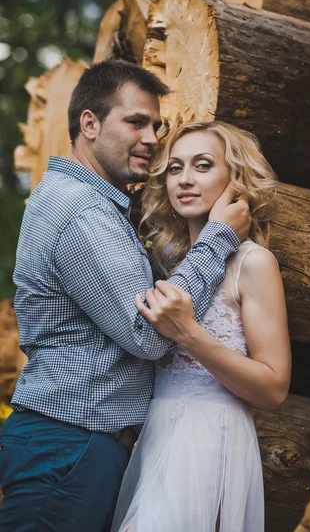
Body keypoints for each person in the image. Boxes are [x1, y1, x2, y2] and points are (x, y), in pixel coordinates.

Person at [0, 61, 251, 532]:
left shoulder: (95, 206)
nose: (153, 138)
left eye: (156, 125)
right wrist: (217, 238)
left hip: (77, 447)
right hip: (68, 446)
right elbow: (148, 333)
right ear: (89, 124)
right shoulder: (80, 211)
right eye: (135, 122)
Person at [111, 121, 292, 532]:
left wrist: (189, 333)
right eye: (174, 168)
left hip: (211, 440)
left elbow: (274, 388)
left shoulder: (253, 263)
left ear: (236, 181)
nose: (185, 179)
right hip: (154, 434)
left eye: (203, 165)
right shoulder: (173, 268)